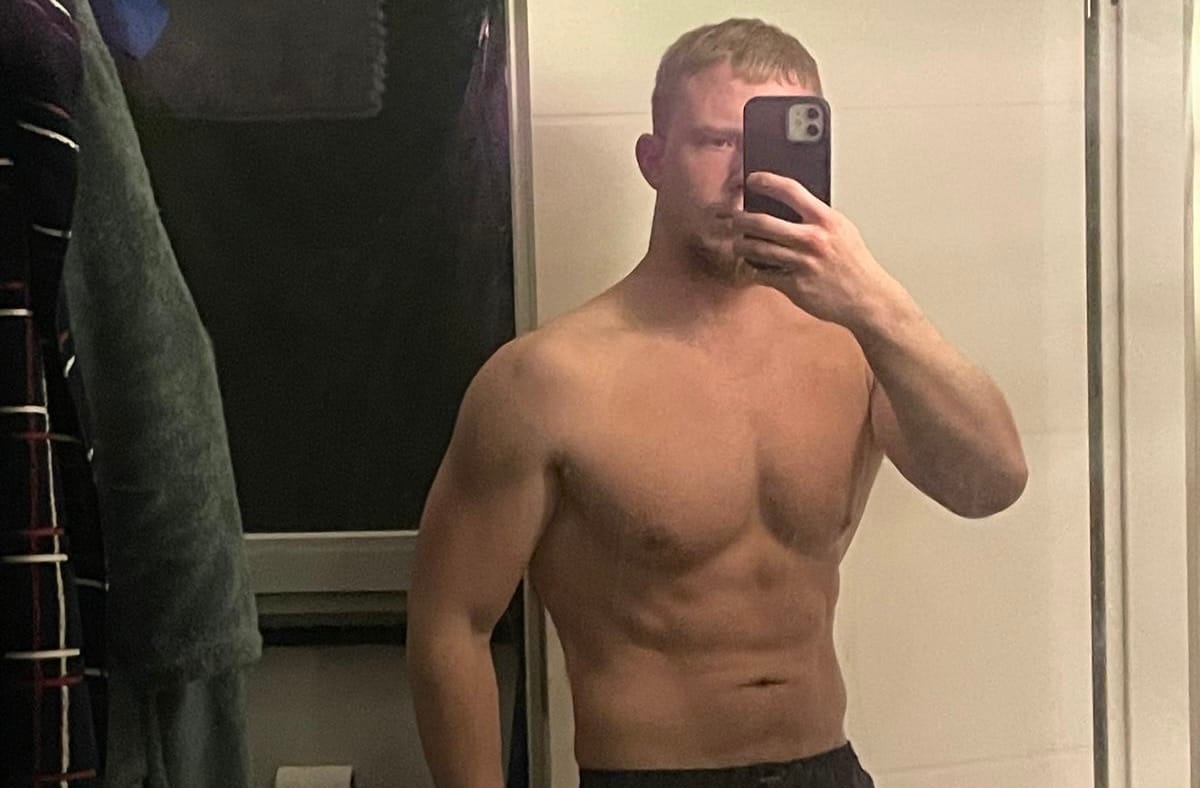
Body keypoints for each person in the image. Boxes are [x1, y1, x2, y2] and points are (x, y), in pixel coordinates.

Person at [407, 17, 1028, 788]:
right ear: (653, 159)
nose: (747, 175)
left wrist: (877, 306)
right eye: (716, 141)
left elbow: (992, 482)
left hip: (827, 768)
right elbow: (451, 627)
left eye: (770, 146)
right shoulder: (548, 379)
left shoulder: (857, 347)